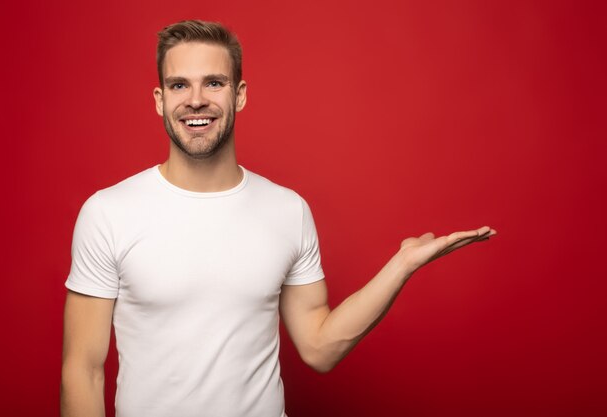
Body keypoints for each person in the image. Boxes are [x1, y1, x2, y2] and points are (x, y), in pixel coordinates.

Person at [60, 20, 496, 417]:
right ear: (160, 100)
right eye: (178, 85)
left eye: (214, 82)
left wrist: (401, 265)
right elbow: (83, 369)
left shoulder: (288, 210)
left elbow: (320, 347)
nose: (196, 100)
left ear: (240, 94)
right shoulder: (109, 212)